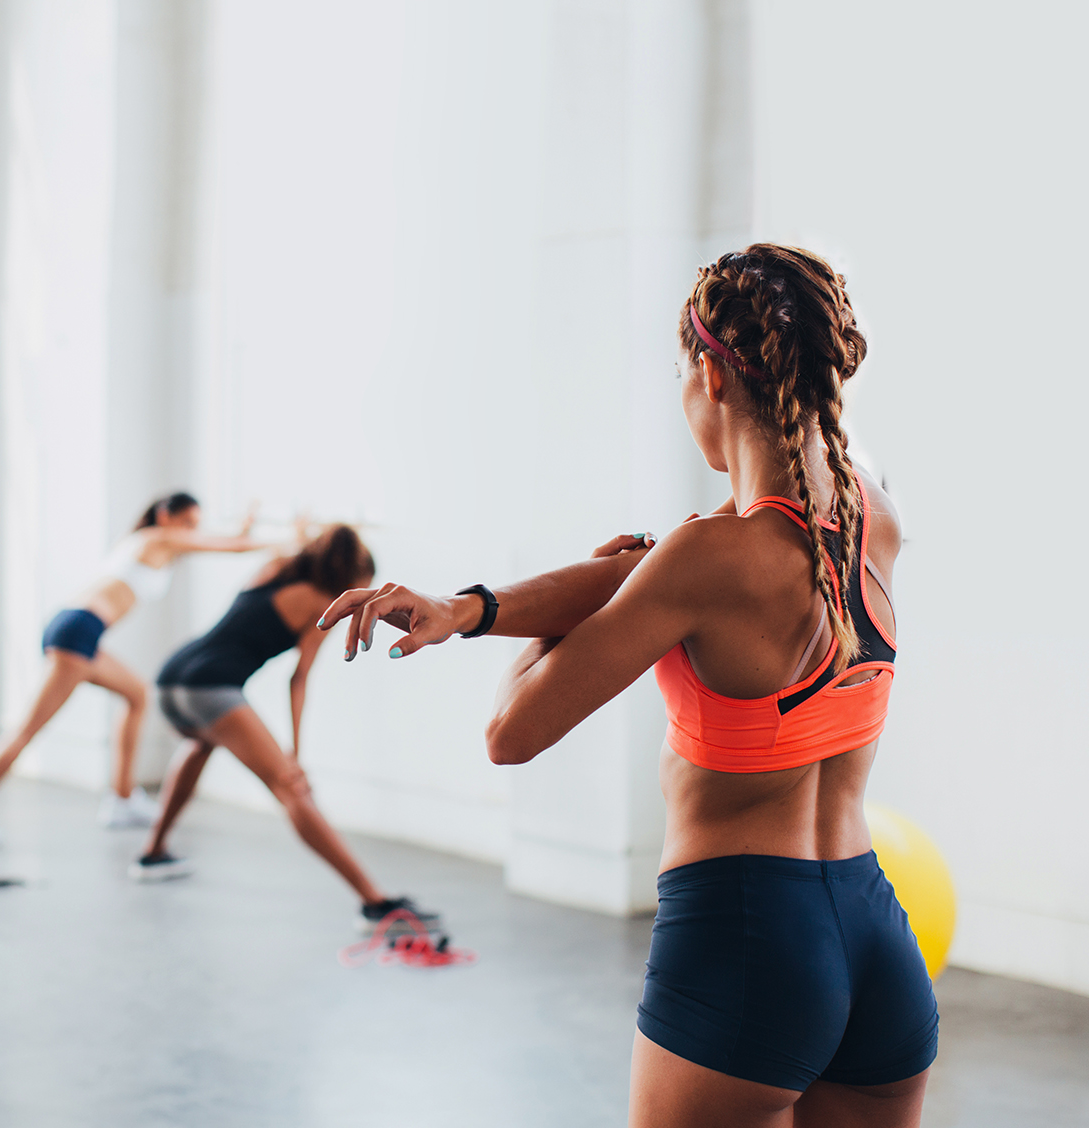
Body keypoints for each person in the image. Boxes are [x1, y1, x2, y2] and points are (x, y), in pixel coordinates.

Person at [321, 246, 935, 1127]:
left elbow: (512, 733)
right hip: (874, 938)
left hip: (748, 940)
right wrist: (469, 608)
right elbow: (654, 574)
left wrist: (538, 635)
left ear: (712, 380)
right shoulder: (870, 513)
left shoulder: (711, 557)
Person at [134, 524, 442, 936]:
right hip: (210, 686)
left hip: (172, 678)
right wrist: (294, 756)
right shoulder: (324, 605)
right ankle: (375, 903)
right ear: (350, 581)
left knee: (202, 743)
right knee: (292, 789)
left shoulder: (274, 567)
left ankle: (153, 853)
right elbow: (298, 680)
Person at [0, 492, 271, 849]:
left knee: (137, 695)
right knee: (26, 731)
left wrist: (242, 531)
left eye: (195, 526)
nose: (191, 531)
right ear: (165, 517)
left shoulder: (153, 544)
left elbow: (227, 543)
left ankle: (122, 801)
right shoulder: (155, 537)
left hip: (79, 629)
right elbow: (231, 547)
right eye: (187, 522)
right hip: (78, 630)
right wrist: (292, 540)